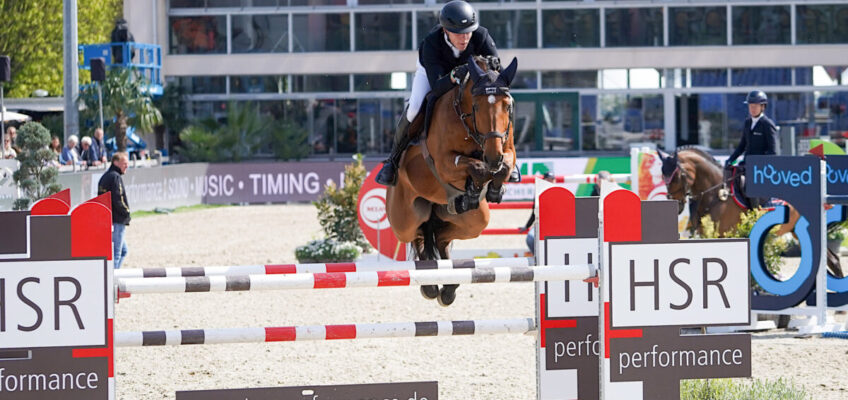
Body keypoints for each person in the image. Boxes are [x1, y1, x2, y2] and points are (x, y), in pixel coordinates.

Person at [376, 0, 516, 186]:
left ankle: (510, 156)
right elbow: (436, 87)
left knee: (501, 101)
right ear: (445, 31)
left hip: (469, 78)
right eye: (458, 34)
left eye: (468, 32)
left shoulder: (481, 35)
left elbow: (495, 79)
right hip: (436, 75)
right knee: (415, 107)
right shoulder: (431, 44)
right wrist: (452, 76)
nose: (465, 38)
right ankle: (392, 161)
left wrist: (493, 65)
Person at [725, 90, 777, 168]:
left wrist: (760, 164)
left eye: (755, 106)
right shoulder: (747, 122)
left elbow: (772, 151)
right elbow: (742, 146)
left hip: (760, 168)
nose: (752, 109)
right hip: (747, 164)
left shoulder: (767, 124)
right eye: (750, 106)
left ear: (762, 107)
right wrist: (731, 159)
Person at [98, 152, 131, 269]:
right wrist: (126, 212)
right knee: (116, 254)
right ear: (116, 163)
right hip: (117, 220)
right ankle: (113, 280)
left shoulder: (106, 176)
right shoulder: (115, 177)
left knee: (123, 251)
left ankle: (114, 276)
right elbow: (118, 197)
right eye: (125, 163)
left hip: (108, 220)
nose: (127, 165)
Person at [522, 172, 556, 255]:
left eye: (552, 180)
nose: (550, 182)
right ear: (543, 180)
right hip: (541, 224)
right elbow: (534, 213)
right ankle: (538, 258)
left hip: (555, 225)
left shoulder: (558, 192)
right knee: (530, 238)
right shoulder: (539, 193)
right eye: (548, 180)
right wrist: (526, 226)